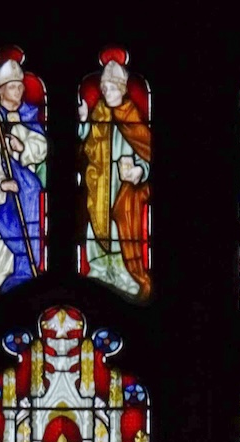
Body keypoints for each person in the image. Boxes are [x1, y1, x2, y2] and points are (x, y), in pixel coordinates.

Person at [78, 50, 151, 300]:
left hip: (124, 189)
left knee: (121, 230)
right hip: (99, 184)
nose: (106, 93)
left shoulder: (132, 117)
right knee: (96, 228)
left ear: (122, 89)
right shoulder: (98, 113)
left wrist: (140, 170)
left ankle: (123, 275)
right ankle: (99, 270)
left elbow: (148, 150)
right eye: (104, 88)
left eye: (111, 88)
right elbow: (84, 145)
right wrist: (84, 123)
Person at [0, 50, 46, 304]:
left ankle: (24, 278)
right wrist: (0, 183)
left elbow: (41, 147)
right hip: (1, 194)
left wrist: (22, 147)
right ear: (1, 91)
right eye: (13, 87)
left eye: (20, 87)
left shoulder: (28, 115)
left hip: (26, 193)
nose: (19, 92)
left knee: (27, 232)